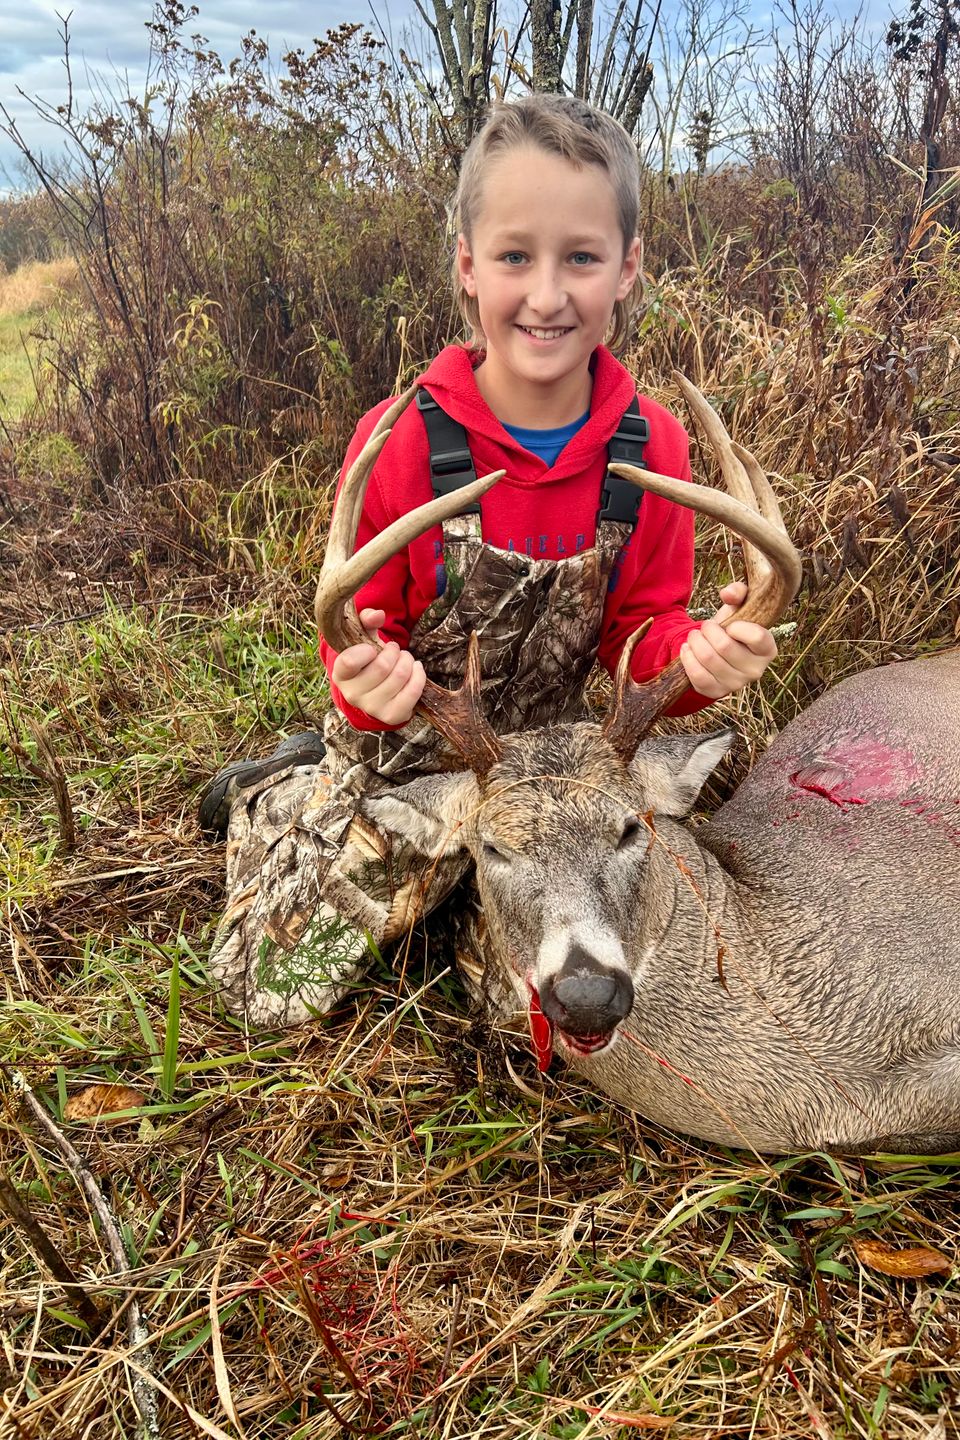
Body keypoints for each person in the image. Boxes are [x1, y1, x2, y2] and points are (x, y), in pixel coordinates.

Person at [200, 92, 777, 1030]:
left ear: (627, 270)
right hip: (409, 768)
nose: (547, 296)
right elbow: (358, 635)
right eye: (515, 257)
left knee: (518, 1007)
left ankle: (461, 895)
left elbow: (644, 631)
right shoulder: (402, 446)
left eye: (581, 259)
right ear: (468, 267)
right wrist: (366, 686)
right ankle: (277, 795)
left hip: (553, 782)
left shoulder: (652, 451)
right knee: (269, 992)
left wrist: (695, 662)